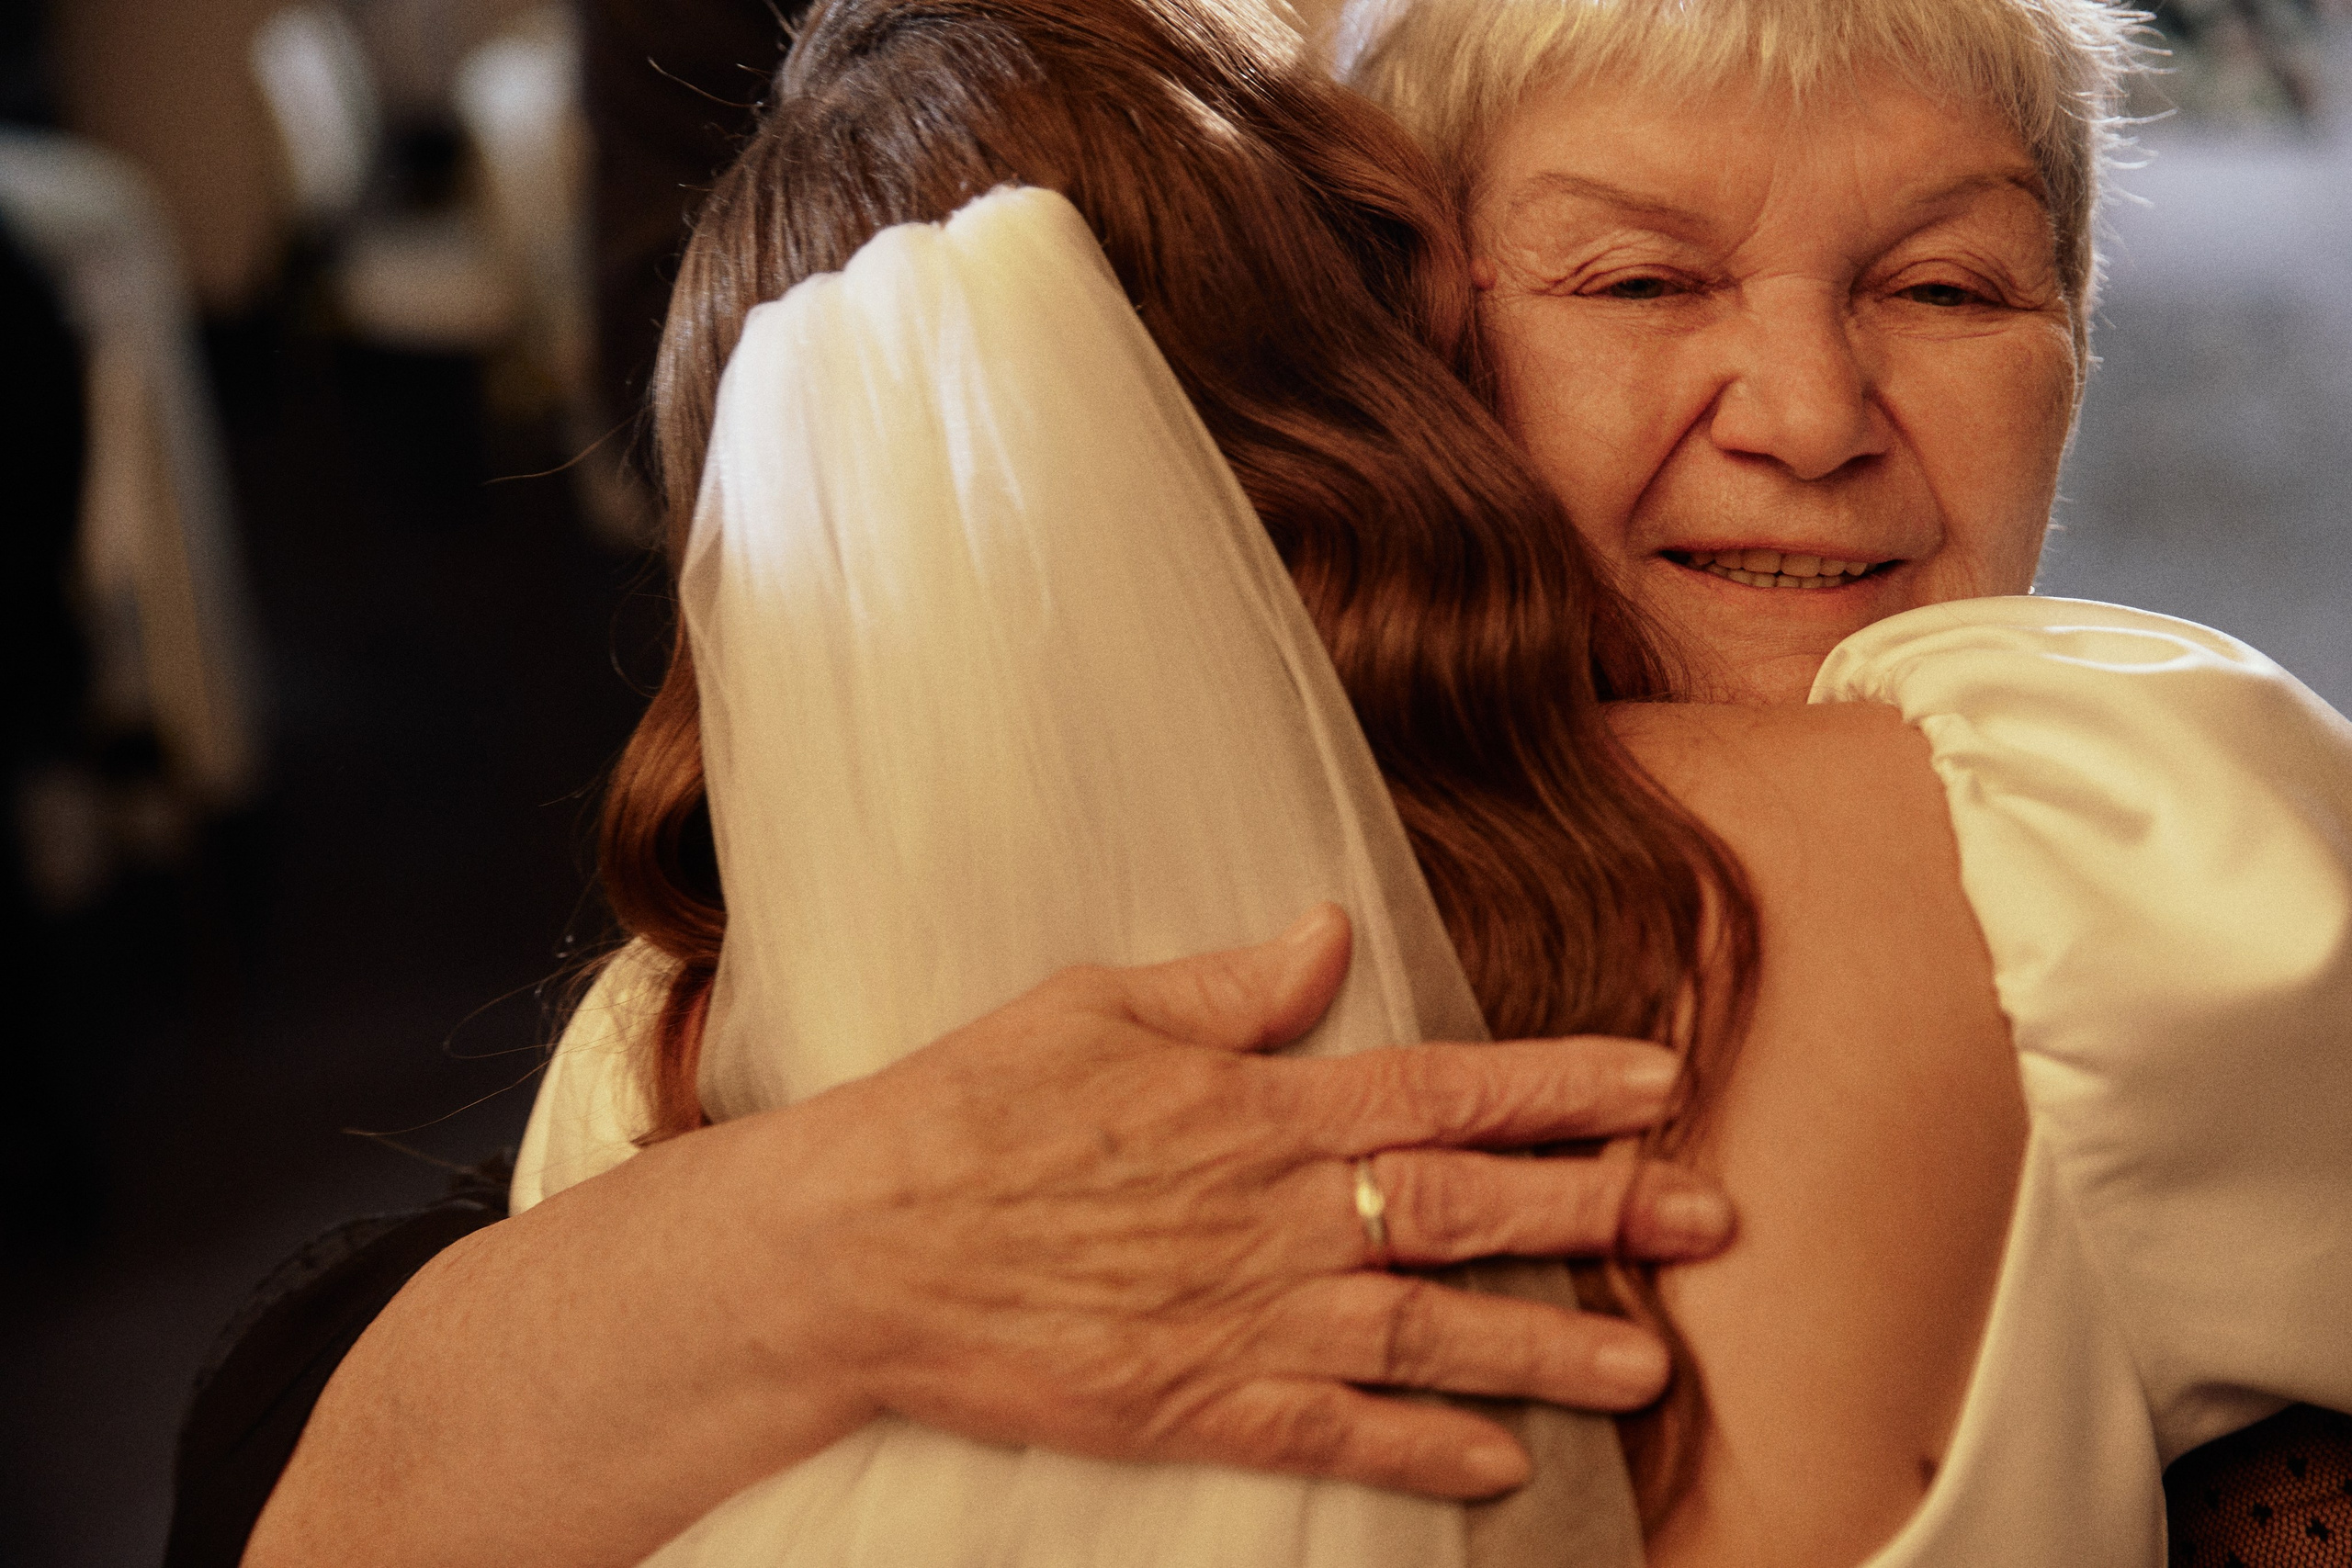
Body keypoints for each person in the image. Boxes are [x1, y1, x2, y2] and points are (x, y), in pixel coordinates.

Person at [218, 0, 2352, 1564]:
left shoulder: (700, 1020)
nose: (1806, 410)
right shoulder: (2089, 841)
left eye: (1949, 284)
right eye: (1635, 277)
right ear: (1412, 357)